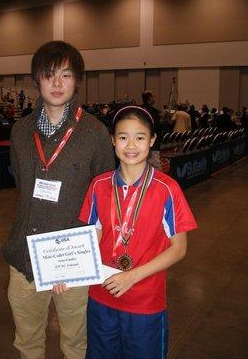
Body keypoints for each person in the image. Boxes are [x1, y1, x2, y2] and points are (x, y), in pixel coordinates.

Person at [54, 105, 198, 359]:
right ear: (113, 140)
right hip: (101, 298)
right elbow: (92, 238)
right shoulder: (98, 185)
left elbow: (180, 248)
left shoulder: (167, 189)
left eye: (140, 137)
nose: (131, 145)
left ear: (152, 140)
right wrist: (67, 272)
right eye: (123, 137)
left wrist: (132, 276)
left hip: (145, 302)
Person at [2, 40, 115, 359]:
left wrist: (79, 254)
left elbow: (104, 198)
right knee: (28, 343)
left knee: (76, 344)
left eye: (65, 75)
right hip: (25, 256)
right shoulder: (20, 131)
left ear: (77, 81)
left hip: (72, 262)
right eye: (49, 74)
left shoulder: (94, 132)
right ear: (36, 79)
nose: (56, 83)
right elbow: (21, 183)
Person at [141, 90, 161, 169]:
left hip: (140, 142)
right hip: (153, 144)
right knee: (155, 166)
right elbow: (156, 128)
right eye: (153, 97)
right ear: (150, 98)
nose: (154, 99)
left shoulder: (139, 110)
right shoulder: (154, 111)